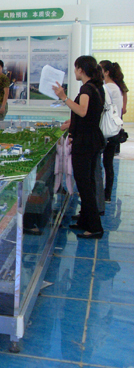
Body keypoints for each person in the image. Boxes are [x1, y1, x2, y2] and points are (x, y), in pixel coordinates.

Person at [53, 56, 105, 239]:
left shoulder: (86, 89)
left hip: (85, 143)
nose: (74, 72)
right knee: (88, 182)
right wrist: (72, 123)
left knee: (84, 184)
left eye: (75, 68)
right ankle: (85, 220)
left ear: (81, 69)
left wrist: (64, 97)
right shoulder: (97, 87)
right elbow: (88, 115)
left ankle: (95, 227)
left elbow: (82, 111)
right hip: (92, 139)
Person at [100, 60, 127, 202]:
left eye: (100, 69)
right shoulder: (115, 87)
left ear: (106, 72)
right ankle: (107, 194)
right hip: (114, 129)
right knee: (108, 163)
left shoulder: (108, 87)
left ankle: (104, 193)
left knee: (105, 164)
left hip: (108, 130)